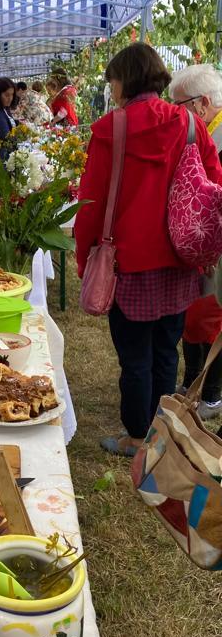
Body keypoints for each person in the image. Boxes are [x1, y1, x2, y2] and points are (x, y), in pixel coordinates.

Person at [75, 43, 222, 457]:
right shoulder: (191, 125)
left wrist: (85, 258)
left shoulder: (110, 129)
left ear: (124, 80)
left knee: (134, 356)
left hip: (129, 263)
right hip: (179, 262)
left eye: (113, 80)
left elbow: (91, 203)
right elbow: (213, 189)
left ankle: (138, 437)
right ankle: (162, 434)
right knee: (166, 351)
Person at [170, 63, 222, 418]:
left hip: (215, 243)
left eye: (180, 106)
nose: (175, 114)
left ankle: (211, 395)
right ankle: (194, 384)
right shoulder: (206, 130)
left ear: (202, 104)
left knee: (210, 316)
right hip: (205, 242)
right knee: (197, 314)